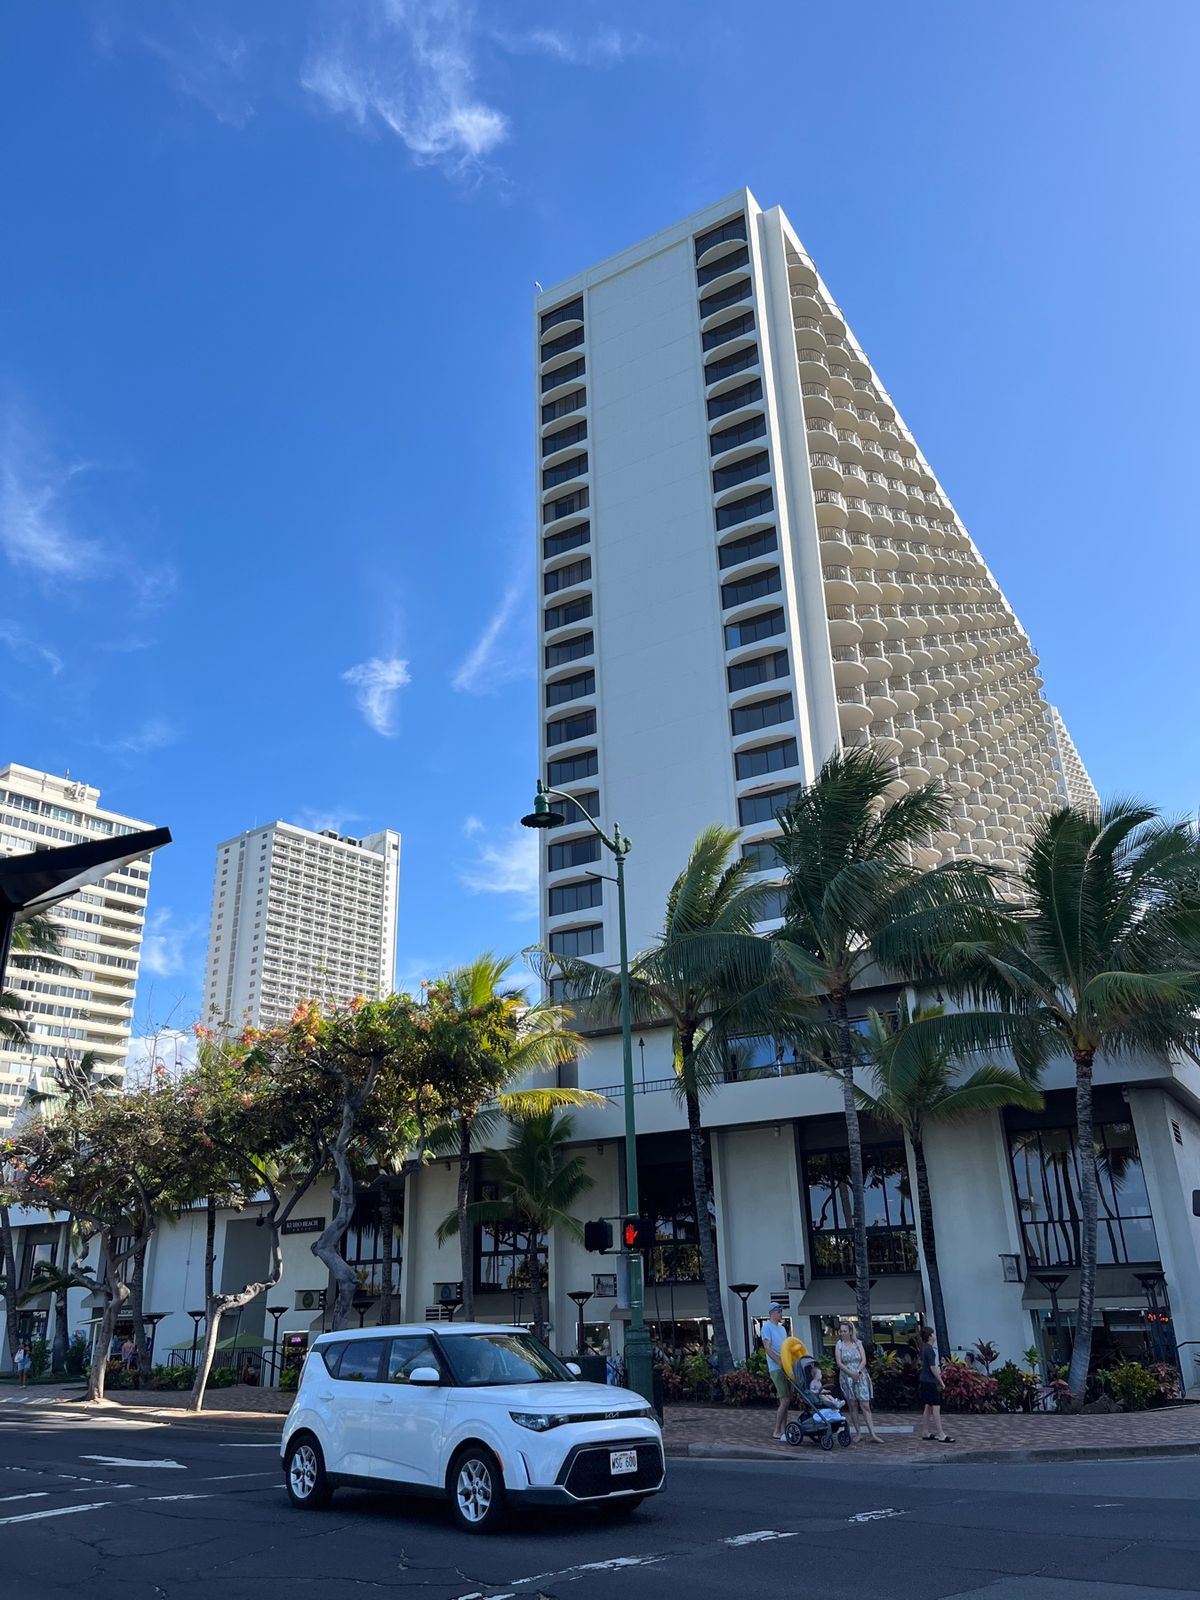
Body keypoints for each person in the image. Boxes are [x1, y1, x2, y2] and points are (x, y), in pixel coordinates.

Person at [835, 1320, 882, 1444]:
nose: (843, 1333)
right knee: (852, 1405)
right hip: (847, 1377)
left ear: (850, 1332)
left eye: (845, 1331)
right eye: (841, 1331)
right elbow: (839, 1362)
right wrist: (851, 1373)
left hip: (860, 1375)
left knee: (865, 1404)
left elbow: (864, 1360)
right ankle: (858, 1433)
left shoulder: (858, 1343)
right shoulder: (839, 1345)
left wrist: (858, 1372)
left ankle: (872, 1433)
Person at [915, 1326, 955, 1443]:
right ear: (929, 1336)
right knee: (936, 1407)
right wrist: (941, 1382)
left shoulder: (925, 1348)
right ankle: (941, 1434)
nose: (934, 1335)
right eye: (933, 1333)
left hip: (924, 1380)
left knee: (928, 1406)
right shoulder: (930, 1350)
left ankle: (925, 1431)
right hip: (929, 1381)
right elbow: (933, 1368)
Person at [760, 1304, 790, 1442]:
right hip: (776, 1367)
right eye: (779, 1312)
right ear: (772, 1313)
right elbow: (767, 1348)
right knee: (784, 1399)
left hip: (785, 1366)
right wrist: (778, 1361)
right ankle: (777, 1430)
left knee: (786, 1400)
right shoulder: (766, 1327)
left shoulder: (782, 1328)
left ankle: (784, 1430)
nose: (781, 1314)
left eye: (781, 1311)